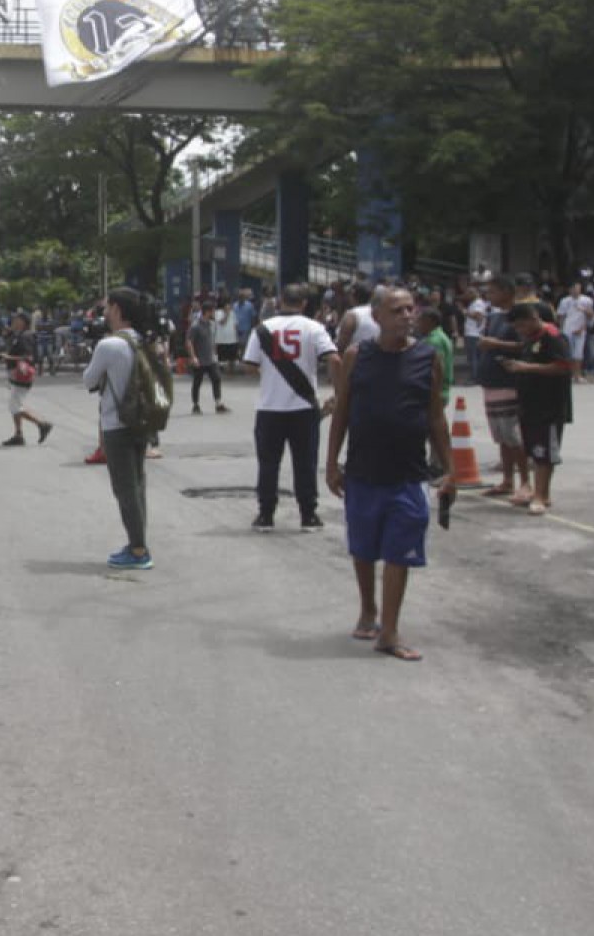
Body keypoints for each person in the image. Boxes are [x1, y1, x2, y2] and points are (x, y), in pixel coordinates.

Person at [325, 287, 453, 662]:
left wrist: (450, 468)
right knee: (364, 547)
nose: (407, 316)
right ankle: (368, 609)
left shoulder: (427, 357)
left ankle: (390, 631)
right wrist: (332, 464)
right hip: (363, 472)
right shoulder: (356, 356)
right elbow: (343, 412)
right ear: (376, 317)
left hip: (409, 475)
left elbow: (435, 417)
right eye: (398, 310)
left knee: (400, 551)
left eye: (411, 309)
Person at [245, 282, 338, 530]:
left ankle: (266, 515)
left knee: (268, 463)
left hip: (269, 407)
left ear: (279, 301)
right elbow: (334, 357)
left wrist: (270, 373)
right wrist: (338, 390)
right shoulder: (314, 328)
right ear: (305, 304)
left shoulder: (262, 330)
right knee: (305, 462)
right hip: (303, 408)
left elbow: (250, 365)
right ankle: (308, 515)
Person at [84, 287, 156, 570]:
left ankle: (138, 550)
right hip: (142, 420)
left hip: (117, 424)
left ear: (116, 309)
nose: (104, 312)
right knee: (138, 484)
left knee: (124, 488)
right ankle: (138, 542)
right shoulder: (143, 341)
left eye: (107, 307)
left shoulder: (109, 345)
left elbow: (88, 380)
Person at [499, 304, 575, 516]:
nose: (520, 331)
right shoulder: (531, 338)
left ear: (533, 318)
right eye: (517, 328)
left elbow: (563, 366)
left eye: (522, 325)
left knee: (544, 452)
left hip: (548, 406)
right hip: (529, 403)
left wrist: (526, 368)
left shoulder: (553, 337)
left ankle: (540, 495)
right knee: (534, 449)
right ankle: (542, 493)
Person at [473, 274, 532, 503]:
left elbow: (524, 345)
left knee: (513, 435)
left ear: (508, 292)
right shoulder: (494, 316)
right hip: (491, 382)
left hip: (509, 383)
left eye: (493, 292)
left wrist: (495, 344)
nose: (489, 296)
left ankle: (525, 481)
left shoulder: (518, 315)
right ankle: (507, 480)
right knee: (501, 436)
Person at [0, 313, 53, 445]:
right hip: (16, 375)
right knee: (15, 405)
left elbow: (28, 357)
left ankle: (42, 424)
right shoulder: (19, 335)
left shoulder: (26, 336)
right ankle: (18, 434)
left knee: (14, 406)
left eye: (16, 320)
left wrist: (8, 358)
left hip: (22, 375)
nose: (14, 322)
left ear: (23, 322)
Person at [186, 301, 226, 414]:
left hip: (210, 359)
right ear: (207, 312)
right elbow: (189, 342)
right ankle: (195, 405)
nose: (213, 313)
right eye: (212, 311)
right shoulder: (195, 326)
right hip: (199, 359)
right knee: (197, 382)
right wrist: (193, 357)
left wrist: (215, 354)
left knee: (216, 378)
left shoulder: (211, 324)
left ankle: (218, 403)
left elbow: (212, 340)